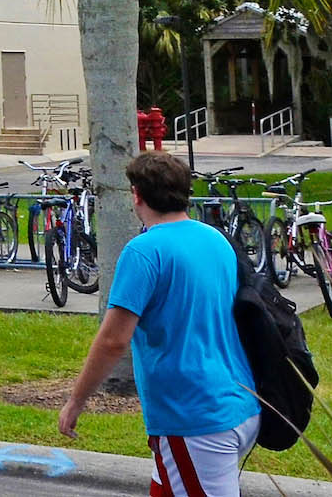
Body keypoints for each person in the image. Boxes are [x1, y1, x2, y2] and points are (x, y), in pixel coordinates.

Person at [59, 151, 258, 497]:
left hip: (194, 419)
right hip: (239, 402)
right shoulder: (215, 240)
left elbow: (113, 341)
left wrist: (76, 401)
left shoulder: (144, 252)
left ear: (136, 194)